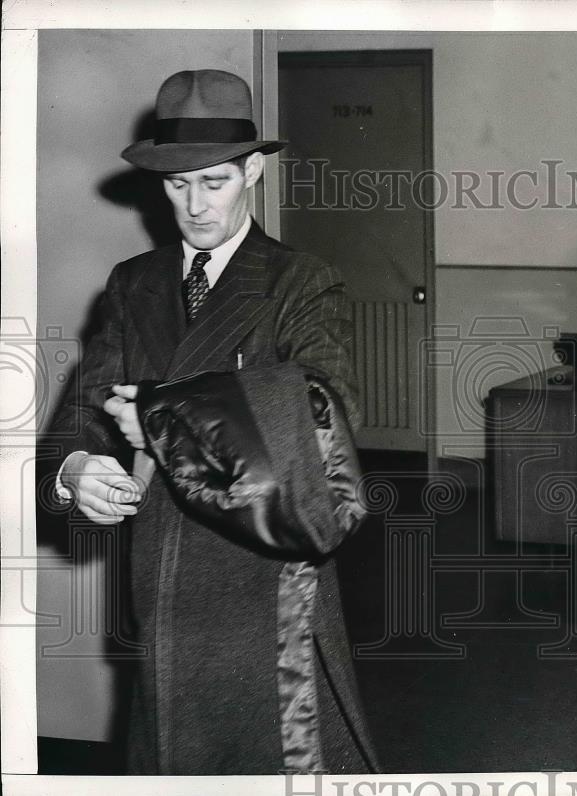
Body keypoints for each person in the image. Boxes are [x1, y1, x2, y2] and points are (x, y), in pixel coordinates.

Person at [47, 69, 377, 774]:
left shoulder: (300, 281)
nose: (195, 206)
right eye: (176, 185)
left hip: (264, 589)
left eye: (214, 181)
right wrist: (77, 468)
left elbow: (326, 413)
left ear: (253, 171)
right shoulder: (134, 282)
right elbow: (85, 408)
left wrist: (165, 419)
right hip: (159, 585)